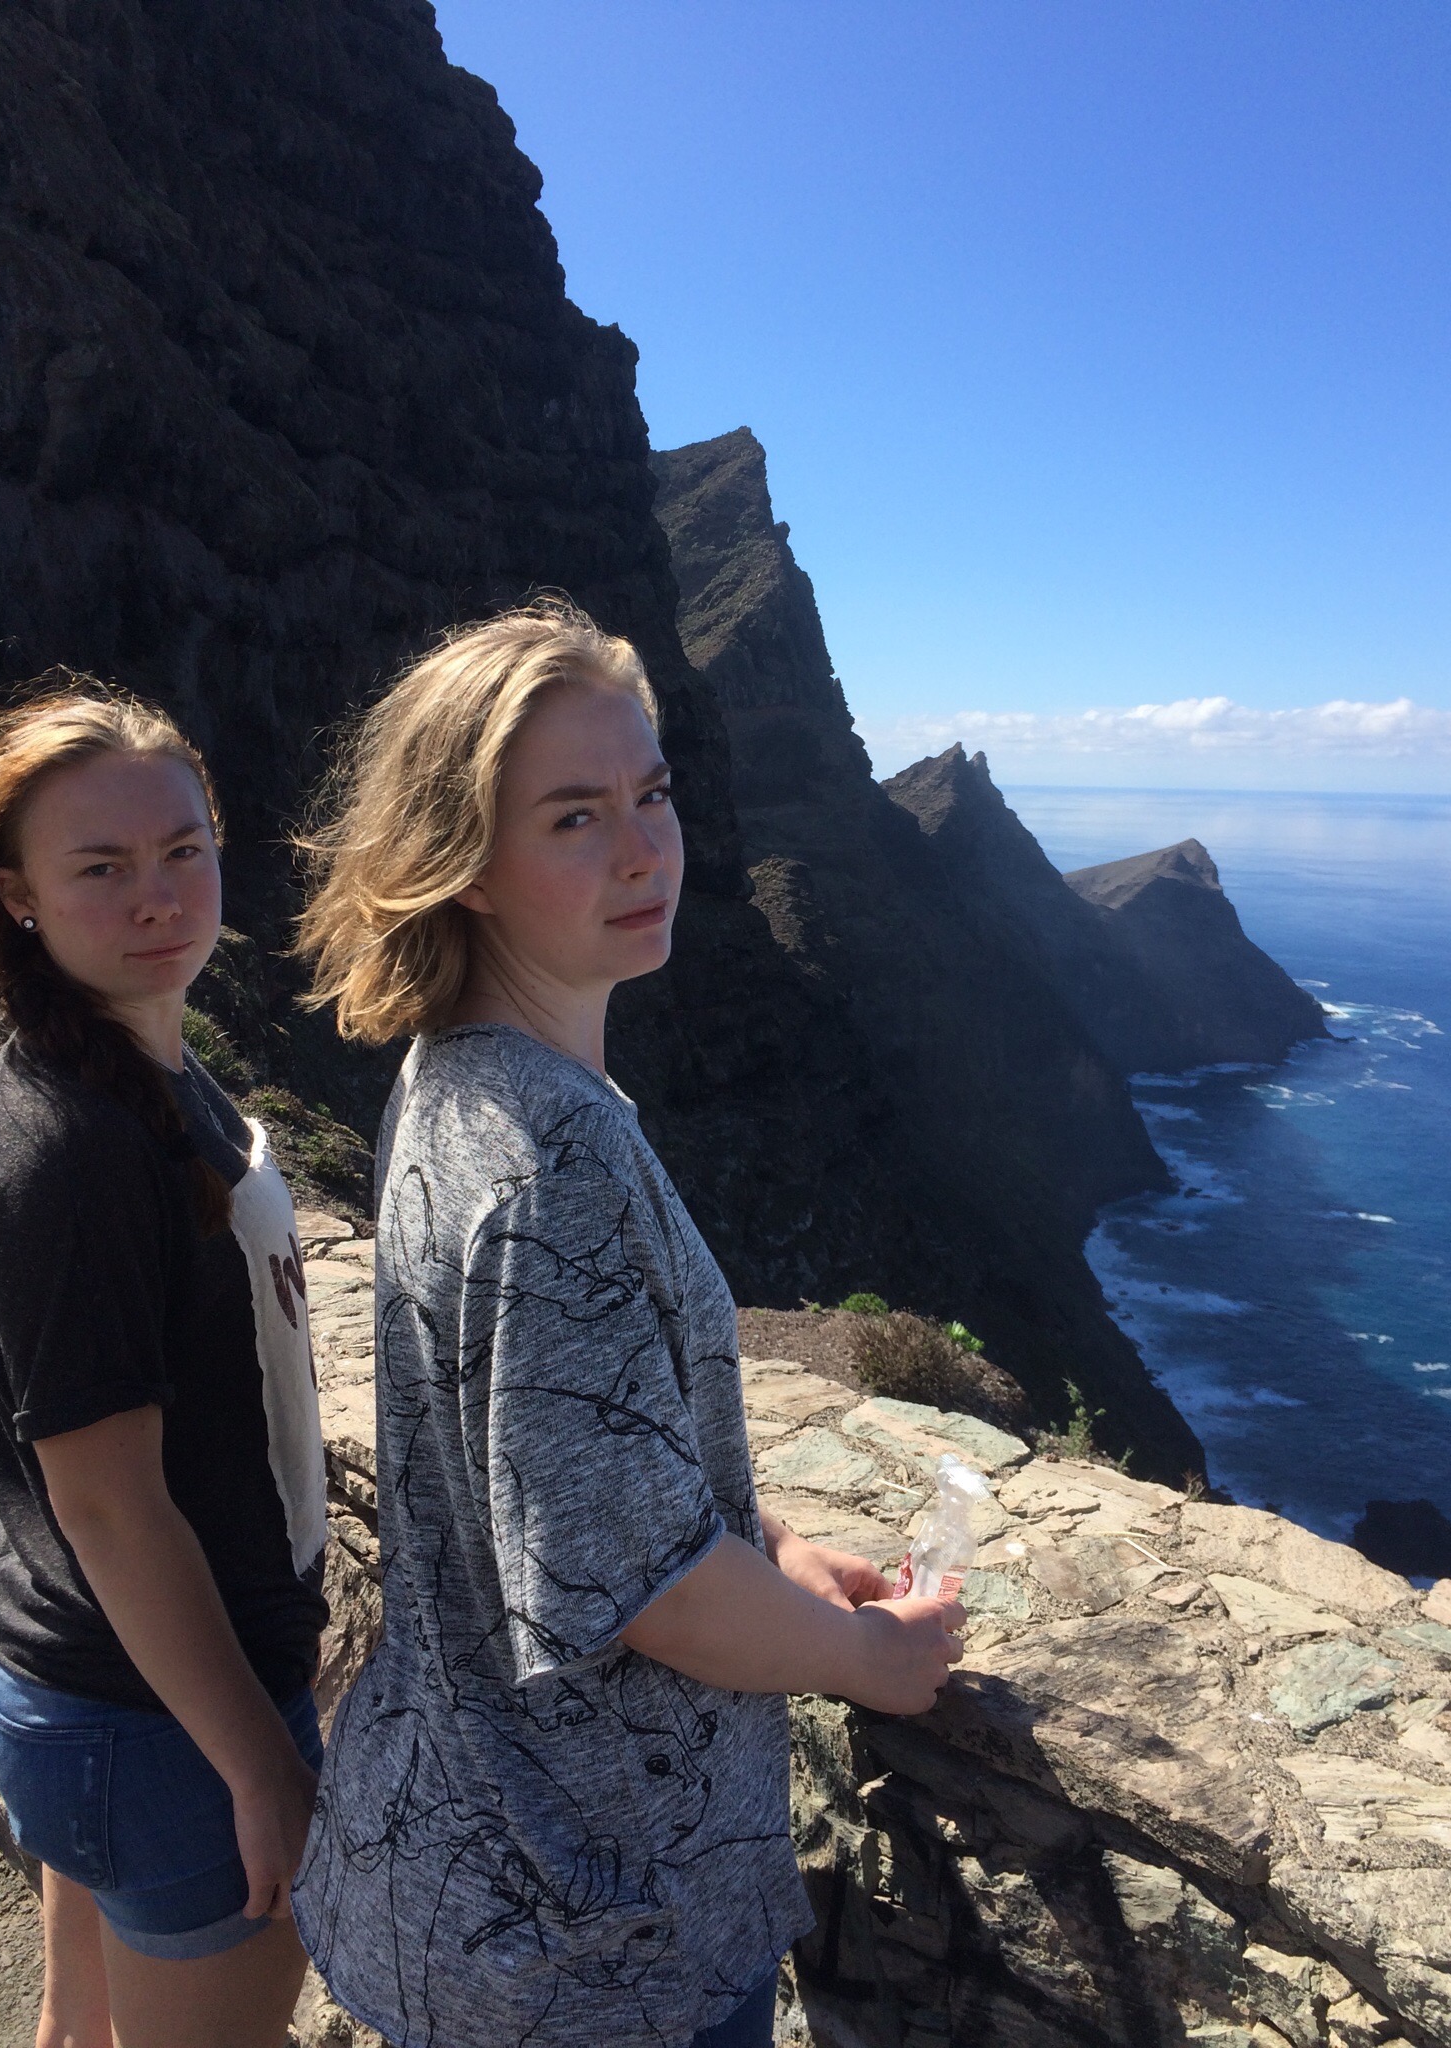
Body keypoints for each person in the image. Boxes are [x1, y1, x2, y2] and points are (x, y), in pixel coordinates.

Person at [291, 601, 965, 2048]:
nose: (647, 850)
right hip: (594, 1930)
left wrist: (766, 1543)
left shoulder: (453, 1080)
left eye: (651, 795)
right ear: (466, 863)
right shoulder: (551, 1158)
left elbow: (566, 1458)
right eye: (575, 818)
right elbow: (646, 1590)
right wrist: (867, 1659)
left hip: (467, 1865)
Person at [0, 689, 329, 2048]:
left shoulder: (133, 1061)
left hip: (103, 1697)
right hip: (163, 1726)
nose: (159, 896)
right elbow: (110, 1505)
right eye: (102, 867)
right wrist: (261, 1765)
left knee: (79, 2035)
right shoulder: (69, 1149)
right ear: (18, 897)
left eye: (184, 849)